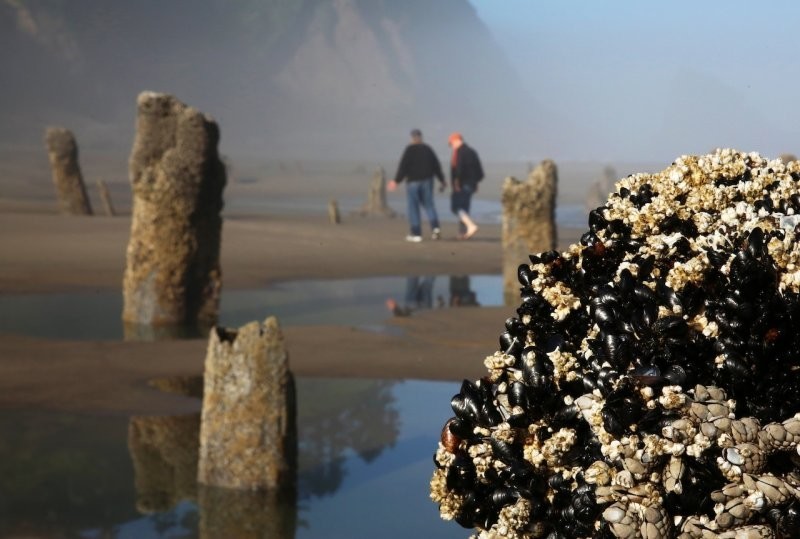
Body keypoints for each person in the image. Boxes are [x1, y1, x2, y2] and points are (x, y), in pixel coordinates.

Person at [388, 129, 446, 242]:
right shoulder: (428, 149)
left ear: (412, 138)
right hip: (427, 181)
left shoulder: (409, 150)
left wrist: (396, 181)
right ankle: (436, 230)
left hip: (413, 182)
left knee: (413, 207)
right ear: (421, 137)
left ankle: (416, 233)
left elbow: (403, 166)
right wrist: (442, 180)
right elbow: (436, 165)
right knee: (429, 205)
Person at [448, 132, 483, 240]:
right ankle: (463, 233)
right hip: (471, 183)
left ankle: (471, 226)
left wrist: (457, 182)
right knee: (464, 208)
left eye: (451, 143)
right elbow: (479, 170)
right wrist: (476, 182)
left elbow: (459, 168)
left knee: (456, 207)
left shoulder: (459, 153)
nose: (451, 146)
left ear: (457, 141)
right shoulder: (472, 152)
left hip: (462, 184)